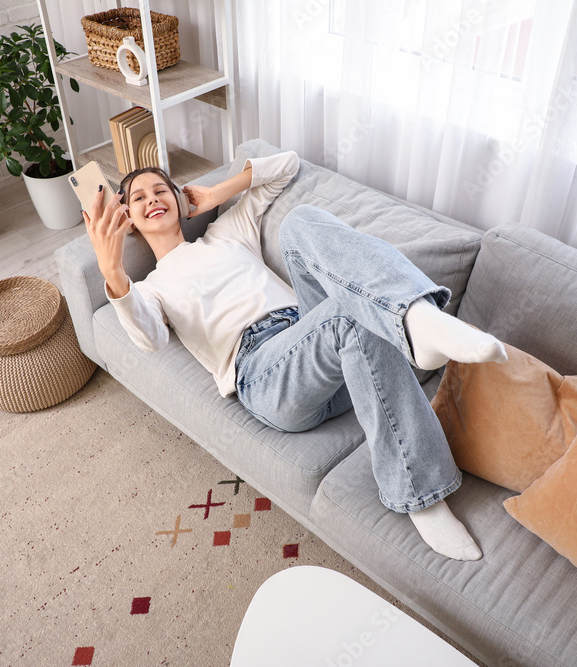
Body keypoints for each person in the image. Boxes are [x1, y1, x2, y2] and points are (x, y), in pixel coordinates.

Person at [83, 151, 507, 561]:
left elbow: (286, 165)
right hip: (266, 375)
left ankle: (414, 320)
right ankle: (421, 495)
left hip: (322, 345)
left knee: (302, 222)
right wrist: (113, 272)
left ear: (180, 197)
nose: (152, 199)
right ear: (129, 221)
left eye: (161, 190)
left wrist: (216, 193)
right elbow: (149, 339)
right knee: (348, 314)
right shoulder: (150, 287)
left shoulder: (227, 233)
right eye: (138, 198)